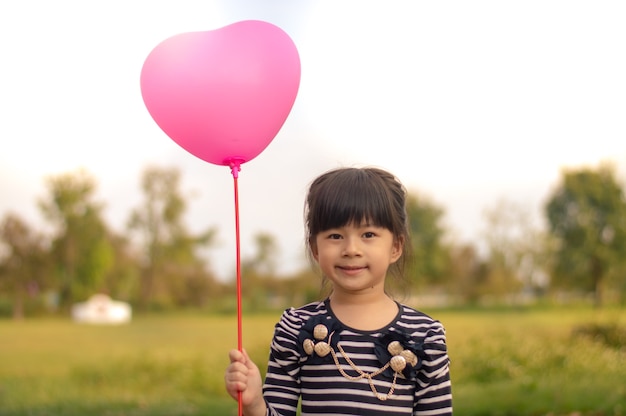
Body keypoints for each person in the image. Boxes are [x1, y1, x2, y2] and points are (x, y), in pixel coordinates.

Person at [225, 167, 452, 416]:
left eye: (368, 234)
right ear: (315, 248)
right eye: (335, 235)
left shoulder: (425, 335)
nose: (351, 249)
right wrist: (254, 403)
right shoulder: (296, 328)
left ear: (395, 247)